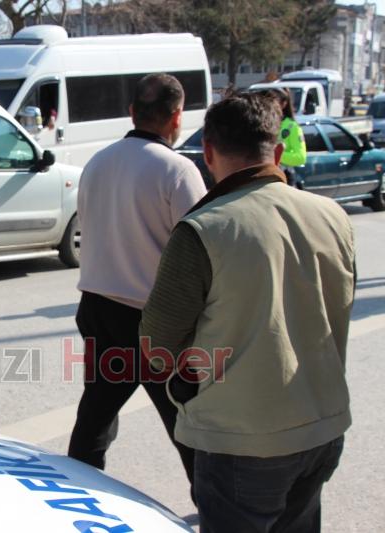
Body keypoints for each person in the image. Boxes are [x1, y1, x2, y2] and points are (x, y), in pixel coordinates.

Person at [140, 92, 354, 532]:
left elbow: (156, 346)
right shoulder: (333, 215)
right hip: (321, 428)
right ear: (276, 151)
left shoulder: (204, 228)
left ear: (209, 152)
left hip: (240, 443)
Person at [68, 73, 205, 481]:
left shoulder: (97, 162)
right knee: (187, 423)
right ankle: (216, 509)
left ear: (132, 112)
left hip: (96, 308)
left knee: (96, 414)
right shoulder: (178, 171)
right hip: (154, 320)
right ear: (177, 116)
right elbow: (200, 251)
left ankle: (79, 489)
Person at [264, 87, 306, 186]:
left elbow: (300, 158)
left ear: (284, 104)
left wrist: (275, 155)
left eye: (273, 101)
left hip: (283, 177)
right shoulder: (261, 123)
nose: (269, 105)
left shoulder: (291, 127)